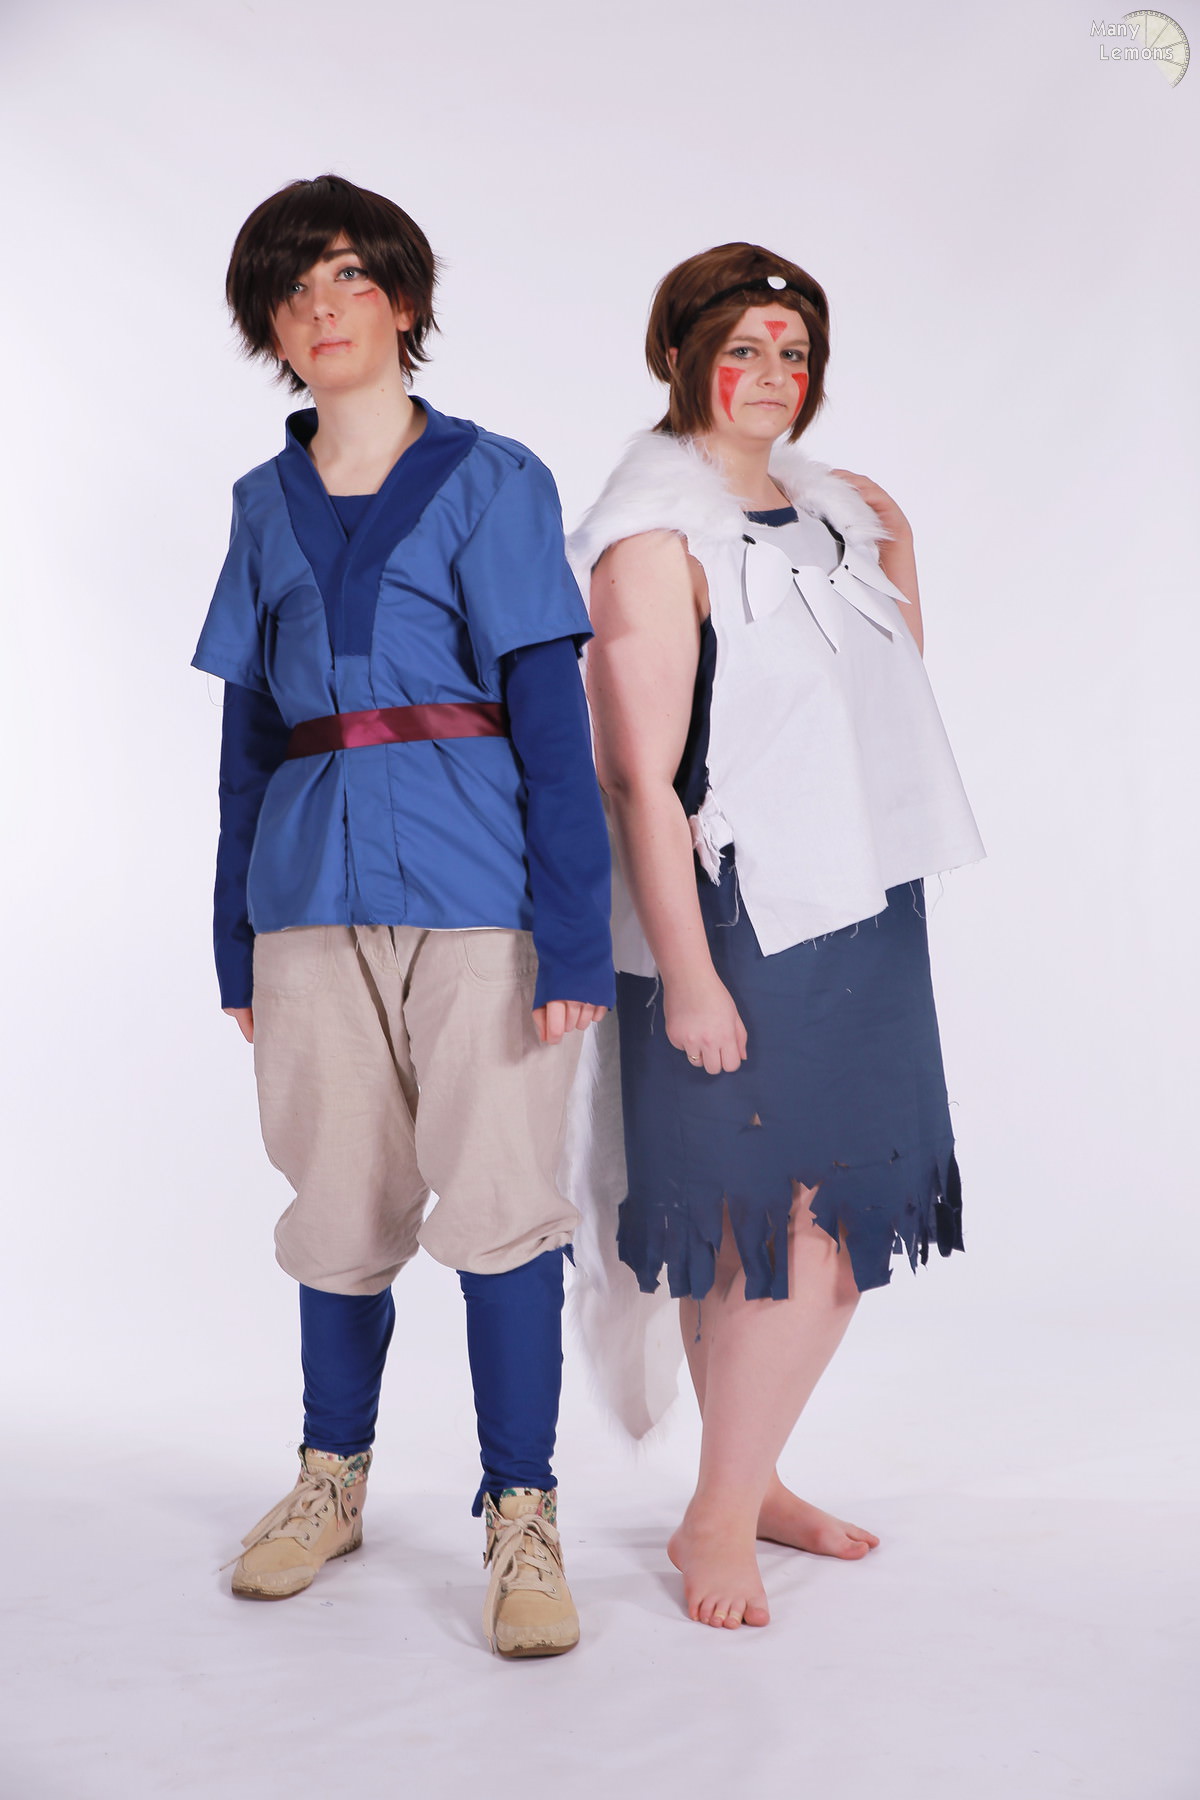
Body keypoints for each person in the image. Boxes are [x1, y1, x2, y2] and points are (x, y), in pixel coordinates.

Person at [192, 174, 613, 1658]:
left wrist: (576, 934)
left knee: (498, 1199)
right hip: (305, 897)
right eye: (295, 288)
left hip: (480, 889)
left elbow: (551, 719)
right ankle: (333, 1481)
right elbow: (248, 738)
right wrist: (232, 933)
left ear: (405, 303)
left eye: (352, 278)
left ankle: (522, 1513)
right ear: (270, 327)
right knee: (337, 1199)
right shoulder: (262, 505)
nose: (325, 307)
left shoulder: (497, 480)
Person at [572, 243, 984, 1631]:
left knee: (779, 1226)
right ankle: (713, 1514)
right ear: (680, 355)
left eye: (794, 353)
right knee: (794, 1227)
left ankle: (749, 1481)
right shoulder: (653, 541)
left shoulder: (834, 518)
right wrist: (689, 976)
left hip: (858, 905)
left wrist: (898, 548)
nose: (773, 376)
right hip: (740, 920)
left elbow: (878, 711)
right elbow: (638, 779)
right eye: (743, 348)